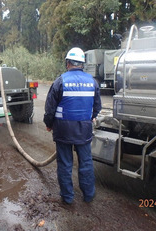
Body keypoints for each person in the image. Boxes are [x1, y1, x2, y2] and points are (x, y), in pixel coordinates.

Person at [43, 47, 102, 205]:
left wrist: (49, 124)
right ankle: (88, 194)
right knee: (86, 162)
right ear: (82, 63)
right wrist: (92, 117)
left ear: (68, 63)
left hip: (63, 129)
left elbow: (50, 108)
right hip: (84, 129)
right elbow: (97, 107)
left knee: (65, 163)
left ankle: (68, 197)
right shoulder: (92, 82)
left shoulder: (60, 81)